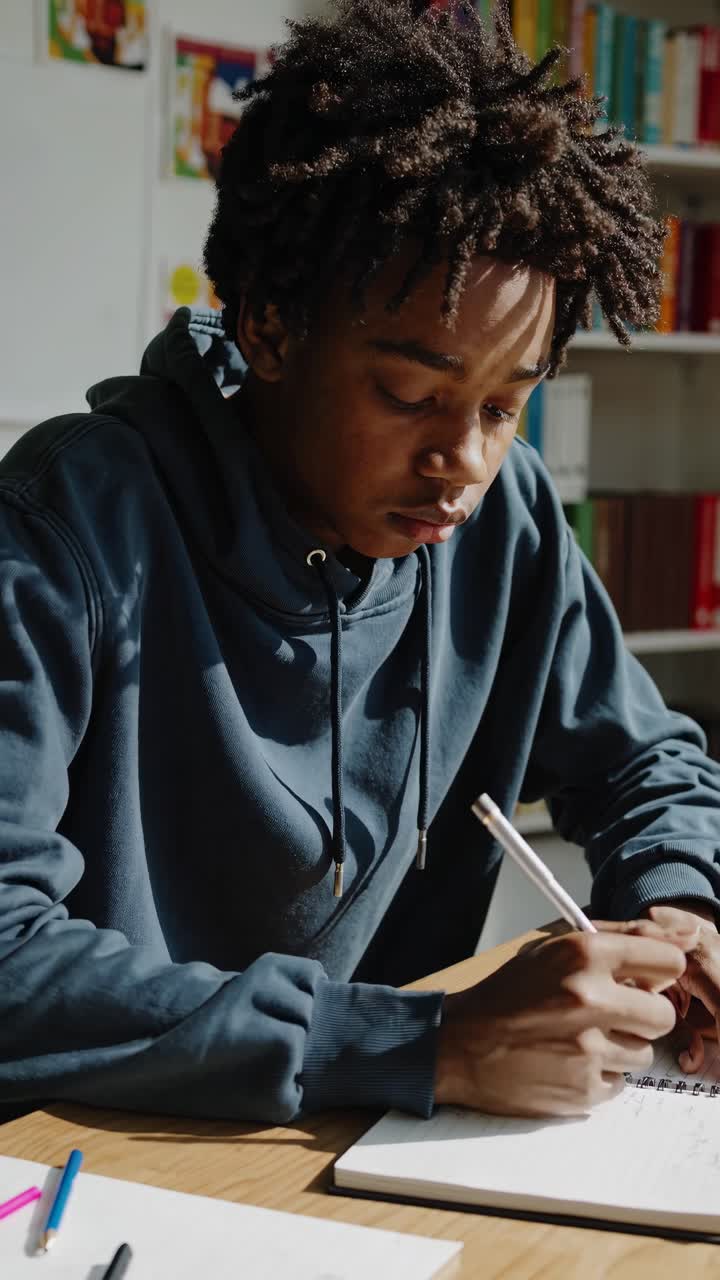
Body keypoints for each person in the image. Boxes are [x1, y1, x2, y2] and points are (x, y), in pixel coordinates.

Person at [2, 0, 720, 1128]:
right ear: (270, 328)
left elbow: (645, 763)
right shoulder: (68, 528)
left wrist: (678, 907)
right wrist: (409, 1043)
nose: (464, 460)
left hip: (356, 1145)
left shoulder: (506, 520)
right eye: (411, 393)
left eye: (505, 404)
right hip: (94, 1160)